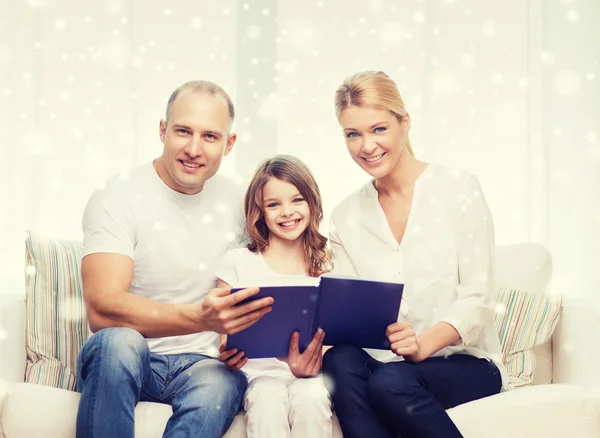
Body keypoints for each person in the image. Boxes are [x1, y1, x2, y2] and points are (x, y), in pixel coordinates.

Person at [75, 80, 274, 438]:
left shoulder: (242, 203)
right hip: (130, 358)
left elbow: (269, 277)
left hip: (204, 365)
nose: (194, 149)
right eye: (183, 131)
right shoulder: (116, 197)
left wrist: (241, 342)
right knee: (118, 342)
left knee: (223, 382)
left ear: (229, 144)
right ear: (163, 131)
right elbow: (102, 310)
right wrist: (199, 318)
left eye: (210, 137)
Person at [321, 71, 508, 438]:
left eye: (378, 129)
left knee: (390, 382)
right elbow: (350, 312)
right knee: (338, 360)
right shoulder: (346, 215)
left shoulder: (458, 189)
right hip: (385, 364)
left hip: (464, 362)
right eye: (353, 134)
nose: (367, 146)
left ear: (404, 124)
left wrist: (423, 344)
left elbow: (479, 296)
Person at [215, 155, 333, 438]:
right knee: (268, 397)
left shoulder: (329, 264)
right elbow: (223, 334)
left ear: (312, 203)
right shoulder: (237, 262)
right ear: (260, 212)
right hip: (258, 376)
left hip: (309, 375)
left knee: (313, 396)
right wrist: (227, 354)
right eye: (273, 204)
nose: (287, 212)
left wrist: (311, 363)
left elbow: (337, 337)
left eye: (297, 200)